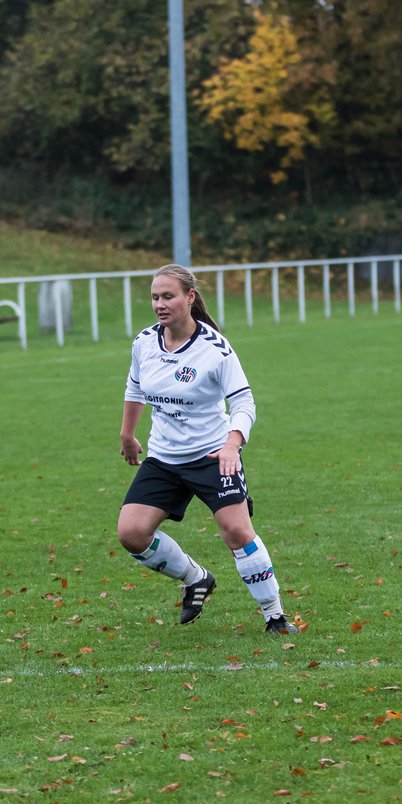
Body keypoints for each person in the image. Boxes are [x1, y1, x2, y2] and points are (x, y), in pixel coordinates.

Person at [117, 264, 300, 634]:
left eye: (168, 296)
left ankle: (275, 616)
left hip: (212, 455)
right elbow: (135, 389)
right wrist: (127, 434)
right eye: (155, 297)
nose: (160, 304)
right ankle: (195, 578)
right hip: (164, 458)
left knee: (237, 531)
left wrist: (233, 444)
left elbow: (244, 403)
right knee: (132, 533)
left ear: (189, 297)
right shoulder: (144, 342)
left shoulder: (215, 349)